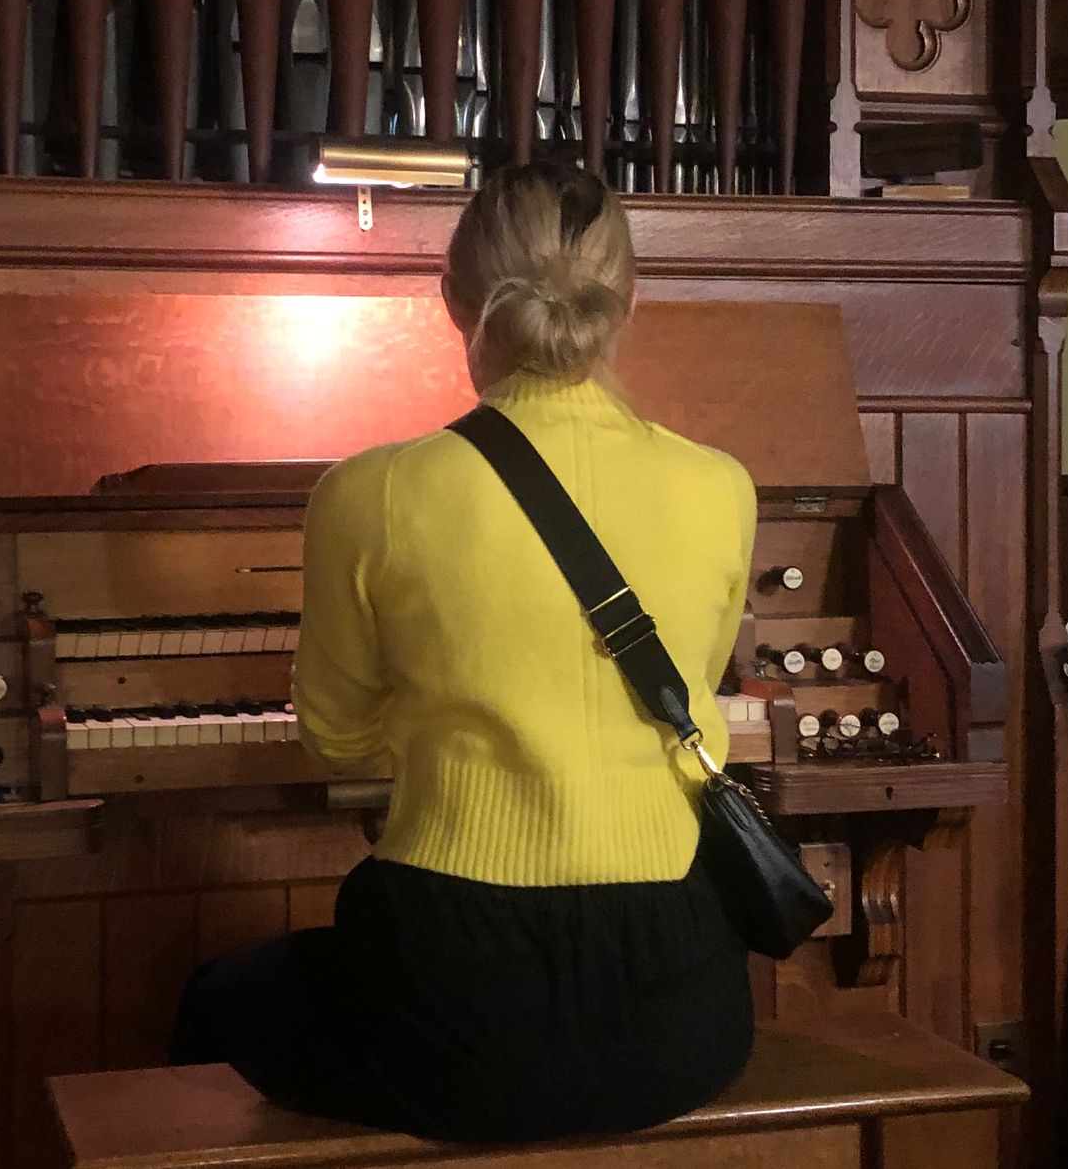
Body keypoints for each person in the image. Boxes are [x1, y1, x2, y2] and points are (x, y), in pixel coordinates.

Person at [170, 160, 758, 1142]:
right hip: (680, 1009)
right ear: (630, 301)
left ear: (450, 299)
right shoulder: (721, 485)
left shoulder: (371, 492)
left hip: (461, 991)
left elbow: (337, 739)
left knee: (217, 994)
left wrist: (437, 711)